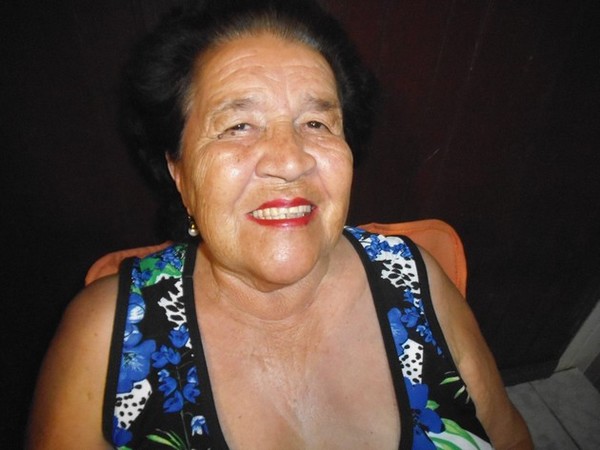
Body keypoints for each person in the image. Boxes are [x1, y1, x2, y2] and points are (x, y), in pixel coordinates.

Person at [27, 0, 532, 448]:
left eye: (316, 123)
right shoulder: (103, 336)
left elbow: (509, 439)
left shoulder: (416, 280)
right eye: (238, 126)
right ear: (179, 173)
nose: (290, 161)